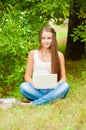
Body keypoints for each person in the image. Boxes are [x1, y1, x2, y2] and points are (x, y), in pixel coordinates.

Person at [20, 26, 70, 106]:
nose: (46, 41)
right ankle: (52, 99)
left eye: (49, 38)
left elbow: (63, 78)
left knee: (65, 86)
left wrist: (56, 85)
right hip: (37, 89)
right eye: (43, 38)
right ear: (40, 39)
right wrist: (34, 84)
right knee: (23, 87)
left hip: (53, 89)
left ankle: (34, 103)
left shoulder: (59, 55)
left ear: (53, 39)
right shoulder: (33, 54)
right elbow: (27, 76)